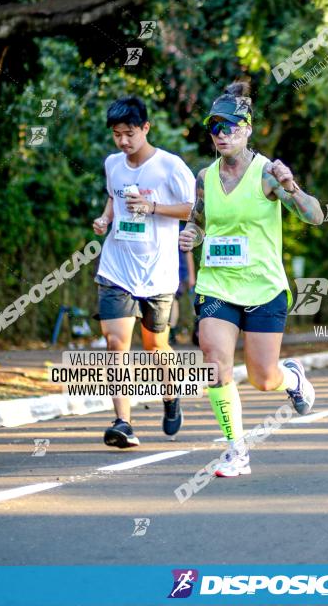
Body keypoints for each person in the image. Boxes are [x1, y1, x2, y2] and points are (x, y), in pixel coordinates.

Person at [179, 81, 324, 477]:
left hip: (263, 287)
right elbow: (200, 221)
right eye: (214, 128)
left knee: (263, 378)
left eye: (230, 127)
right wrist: (193, 235)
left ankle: (291, 378)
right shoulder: (204, 177)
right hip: (217, 286)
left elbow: (315, 216)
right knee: (214, 361)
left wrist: (291, 185)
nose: (222, 134)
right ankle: (235, 450)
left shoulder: (268, 174)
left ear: (247, 129)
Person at [92, 96, 196, 448]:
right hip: (116, 268)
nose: (123, 141)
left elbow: (192, 210)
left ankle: (171, 396)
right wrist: (106, 218)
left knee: (156, 346)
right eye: (117, 134)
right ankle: (123, 422)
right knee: (116, 343)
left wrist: (152, 207)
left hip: (158, 274)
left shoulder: (170, 166)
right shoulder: (113, 164)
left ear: (146, 128)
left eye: (130, 133)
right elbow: (113, 195)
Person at [169, 229, 195, 346]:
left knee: (174, 301)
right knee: (173, 302)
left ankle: (172, 331)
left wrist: (191, 275)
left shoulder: (181, 231)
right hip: (166, 271)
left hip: (179, 271)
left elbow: (188, 252)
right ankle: (171, 331)